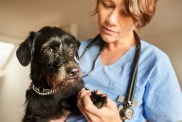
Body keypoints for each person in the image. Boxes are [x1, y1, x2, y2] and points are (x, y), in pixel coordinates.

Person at [52, 0, 182, 121]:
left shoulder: (155, 62)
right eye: (107, 5)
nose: (111, 19)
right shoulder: (75, 51)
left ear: (140, 18)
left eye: (125, 13)